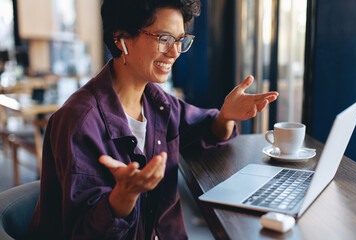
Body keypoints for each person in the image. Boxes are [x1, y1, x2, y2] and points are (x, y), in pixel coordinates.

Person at [27, 0, 278, 239]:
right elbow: (82, 232)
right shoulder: (79, 122)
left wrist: (225, 117)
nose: (175, 52)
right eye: (164, 38)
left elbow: (201, 127)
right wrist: (122, 198)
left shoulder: (158, 102)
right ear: (122, 38)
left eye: (180, 40)